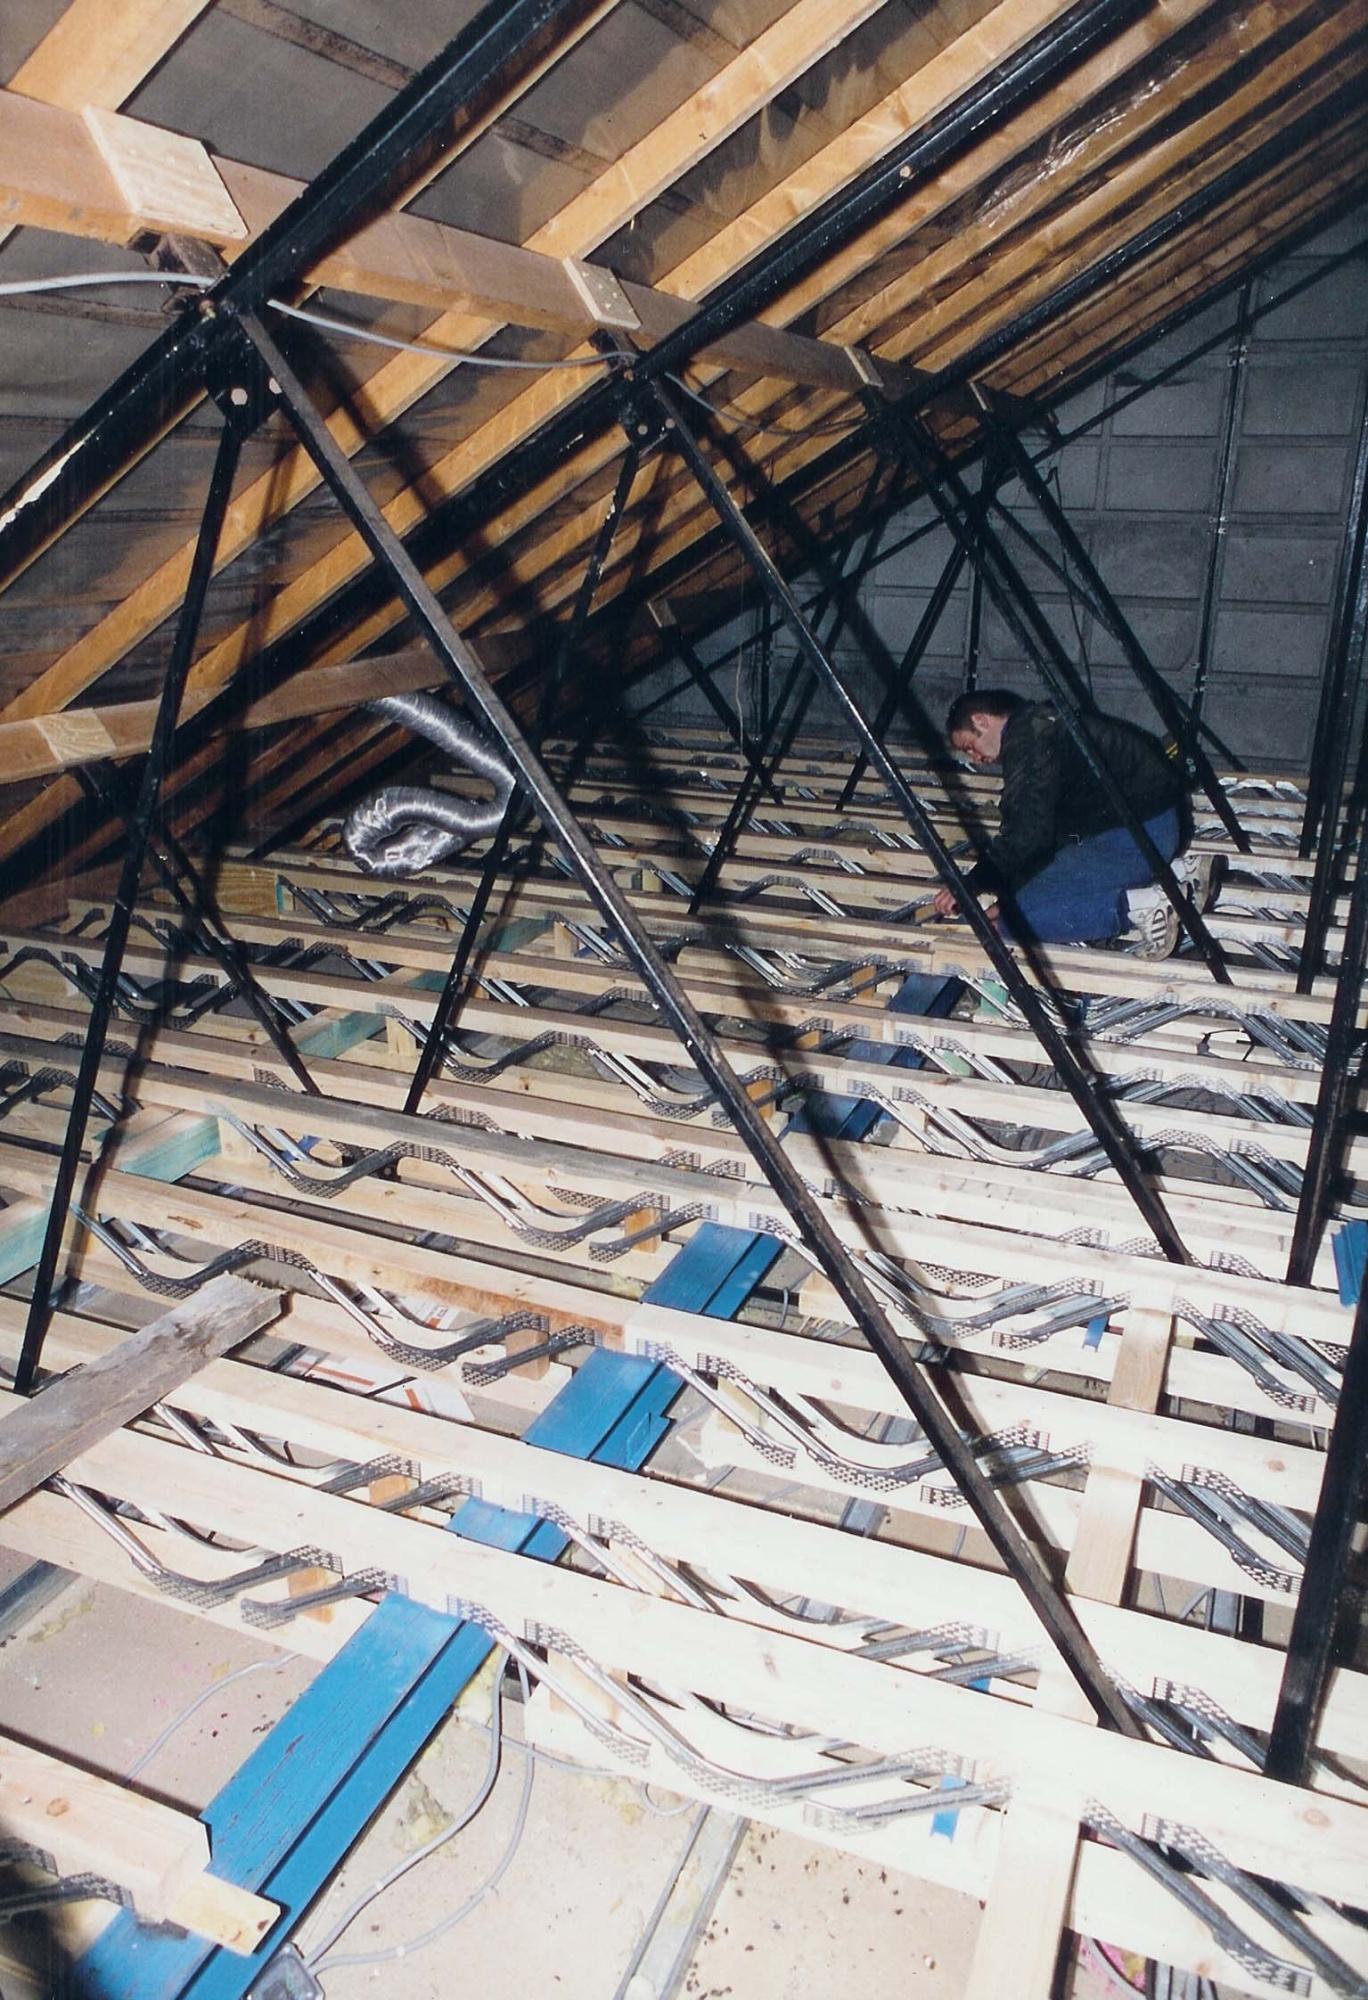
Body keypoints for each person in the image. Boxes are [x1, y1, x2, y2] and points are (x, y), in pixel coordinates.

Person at [931, 688, 1191, 954]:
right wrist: (1007, 901)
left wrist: (972, 884)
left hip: (1137, 839)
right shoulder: (1042, 723)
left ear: (981, 721)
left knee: (1015, 925)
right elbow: (1044, 838)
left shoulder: (1030, 742)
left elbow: (1026, 833)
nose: (976, 759)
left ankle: (1143, 906)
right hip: (1153, 828)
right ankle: (1179, 874)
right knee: (1020, 906)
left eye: (969, 747)